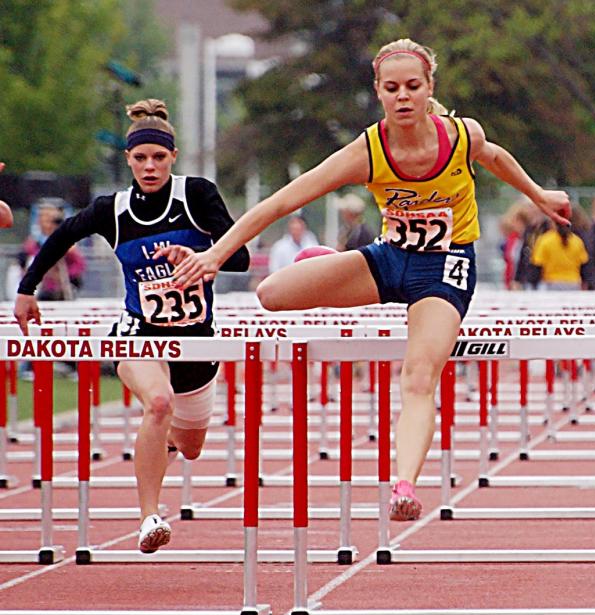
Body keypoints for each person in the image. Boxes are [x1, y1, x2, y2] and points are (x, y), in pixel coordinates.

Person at [156, 38, 570, 521]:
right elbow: (280, 203)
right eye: (392, 88)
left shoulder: (462, 136)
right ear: (378, 92)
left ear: (429, 87)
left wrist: (539, 194)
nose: (403, 97)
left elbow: (493, 156)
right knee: (271, 294)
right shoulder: (367, 151)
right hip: (389, 259)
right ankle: (321, 258)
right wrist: (214, 254)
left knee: (417, 376)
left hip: (444, 268)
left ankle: (404, 485)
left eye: (413, 86)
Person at [14, 99, 250, 554]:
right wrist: (28, 289)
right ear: (127, 160)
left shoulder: (196, 195)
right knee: (158, 403)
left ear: (173, 158)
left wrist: (202, 259)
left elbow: (237, 255)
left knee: (192, 445)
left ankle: (163, 449)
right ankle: (149, 518)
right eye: (140, 158)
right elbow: (61, 236)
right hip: (138, 331)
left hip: (196, 343)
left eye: (158, 157)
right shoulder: (113, 209)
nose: (149, 166)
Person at [22, 201, 86, 301]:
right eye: (44, 219)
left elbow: (79, 265)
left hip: (63, 287)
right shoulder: (33, 243)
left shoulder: (68, 242)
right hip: (40, 288)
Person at [530, 219, 589, 290]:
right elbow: (584, 265)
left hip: (551, 283)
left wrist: (533, 284)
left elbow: (537, 265)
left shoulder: (545, 240)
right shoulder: (577, 241)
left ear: (553, 224)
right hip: (573, 283)